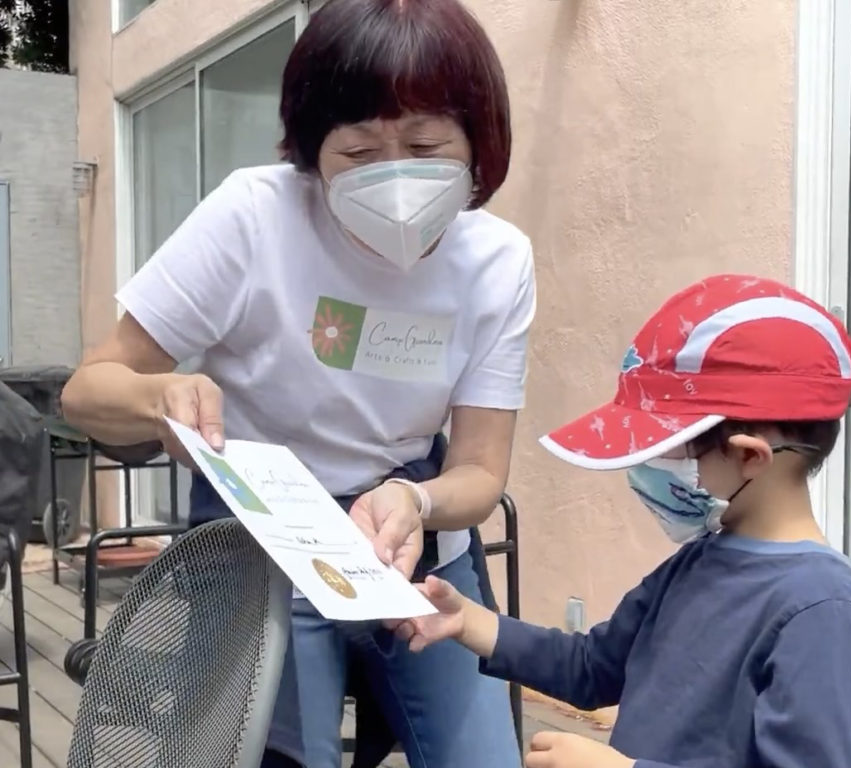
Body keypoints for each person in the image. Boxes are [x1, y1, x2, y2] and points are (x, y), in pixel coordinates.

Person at [60, 1, 532, 766]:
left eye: (424, 146)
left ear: (480, 146)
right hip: (261, 536)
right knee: (276, 751)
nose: (394, 180)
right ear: (311, 153)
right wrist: (159, 398)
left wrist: (417, 501)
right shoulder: (254, 219)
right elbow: (88, 391)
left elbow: (479, 470)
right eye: (358, 152)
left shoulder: (498, 261)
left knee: (481, 755)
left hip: (411, 541)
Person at [392, 274, 851, 768]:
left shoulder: (824, 615)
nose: (646, 465)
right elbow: (591, 667)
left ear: (749, 457)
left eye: (666, 447)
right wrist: (467, 619)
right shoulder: (698, 561)